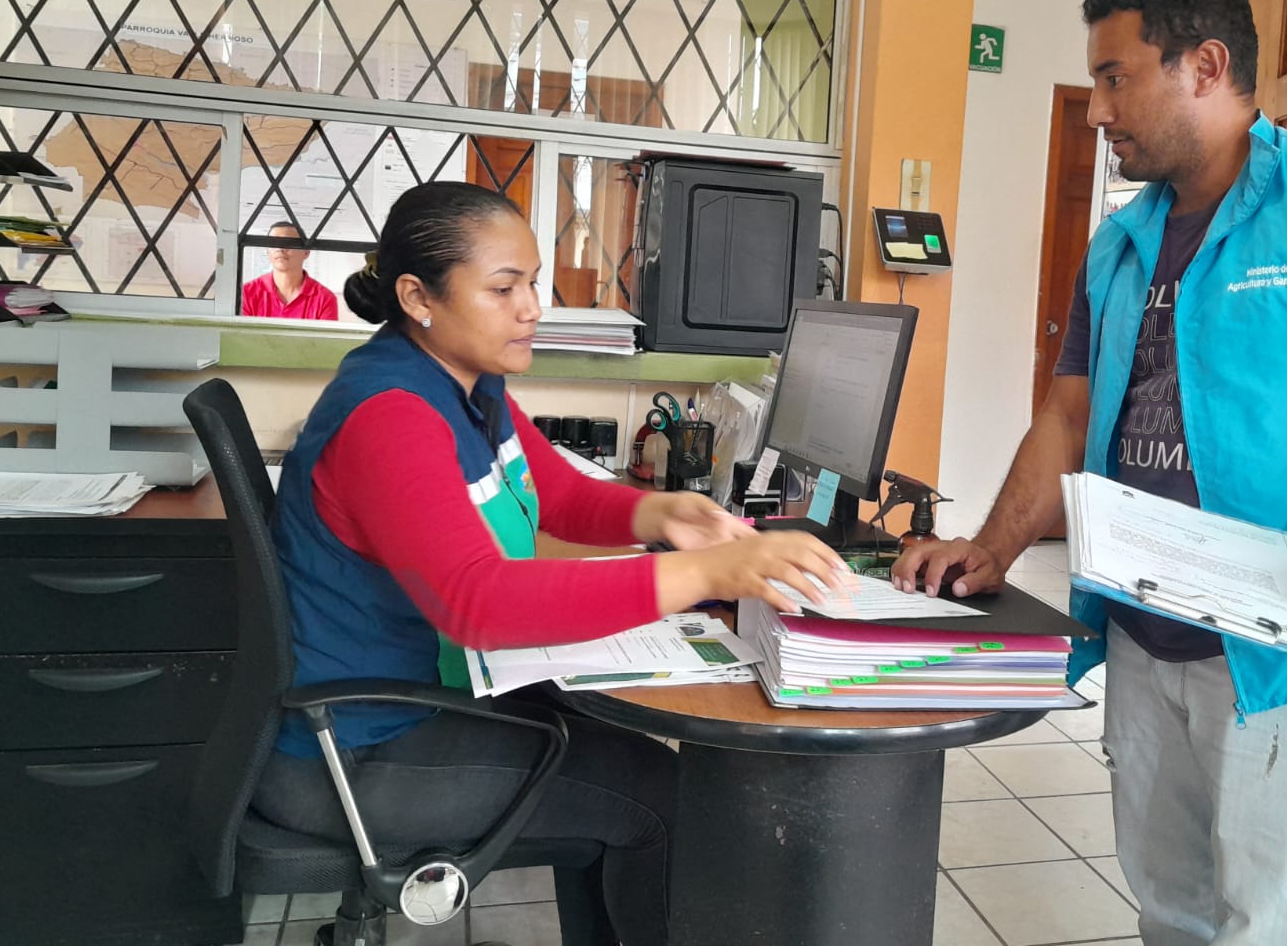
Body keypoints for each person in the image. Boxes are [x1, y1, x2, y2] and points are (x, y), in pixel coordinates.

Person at [894, 0, 1287, 945]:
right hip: (1145, 628)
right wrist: (991, 549)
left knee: (1273, 925)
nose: (1096, 110)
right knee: (1169, 908)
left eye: (1114, 78)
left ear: (1204, 66)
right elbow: (1068, 416)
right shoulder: (1122, 240)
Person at [255, 181, 848, 946]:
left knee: (622, 765)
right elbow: (478, 604)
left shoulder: (468, 383)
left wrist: (661, 514)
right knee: (654, 795)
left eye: (533, 283)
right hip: (355, 749)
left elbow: (557, 494)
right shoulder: (391, 413)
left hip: (419, 700)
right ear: (418, 297)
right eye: (504, 288)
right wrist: (705, 576)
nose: (533, 307)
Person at [241, 221, 340, 319]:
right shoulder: (246, 293)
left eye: (288, 243)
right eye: (273, 243)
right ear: (267, 251)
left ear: (306, 252)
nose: (279, 248)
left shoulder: (325, 299)